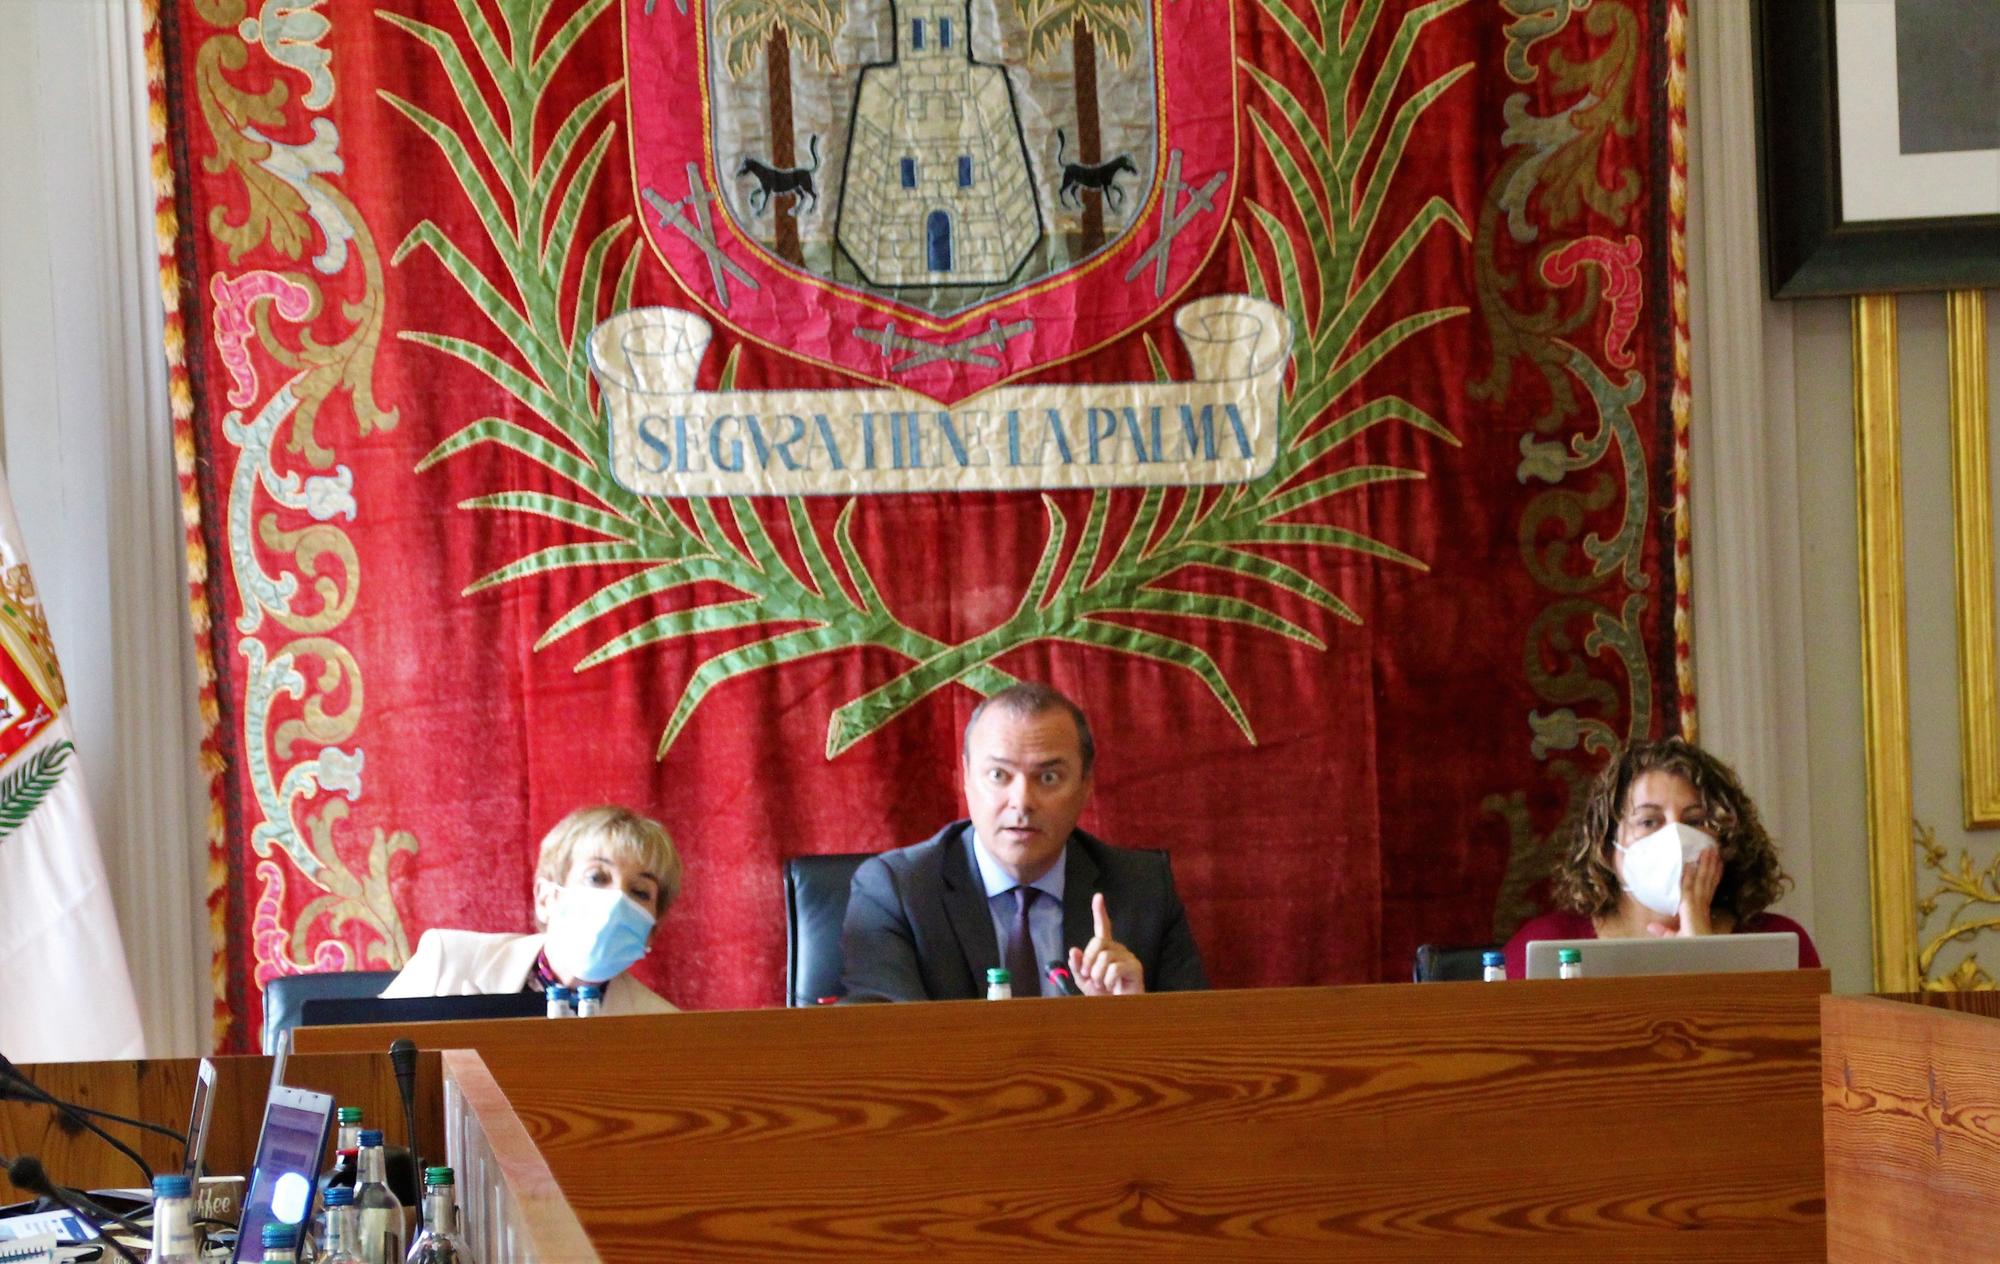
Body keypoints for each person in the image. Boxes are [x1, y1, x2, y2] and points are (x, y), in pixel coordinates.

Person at [840, 682, 1207, 1001]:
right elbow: (891, 1048)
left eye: (1048, 777)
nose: (1022, 802)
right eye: (999, 775)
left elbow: (1197, 1049)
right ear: (966, 778)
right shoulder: (896, 892)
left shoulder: (1141, 890)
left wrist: (1133, 1017)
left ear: (1086, 784)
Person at [1503, 737, 1821, 979]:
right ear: (1608, 847)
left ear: (1726, 841)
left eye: (1695, 820)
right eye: (1649, 821)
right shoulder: (1545, 944)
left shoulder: (1778, 945)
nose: (1676, 838)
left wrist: (1704, 954)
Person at [380, 805, 682, 1014]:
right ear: (546, 898)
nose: (616, 900)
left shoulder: (666, 1027)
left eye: (639, 892)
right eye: (597, 877)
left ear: (652, 931)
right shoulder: (448, 962)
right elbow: (367, 1068)